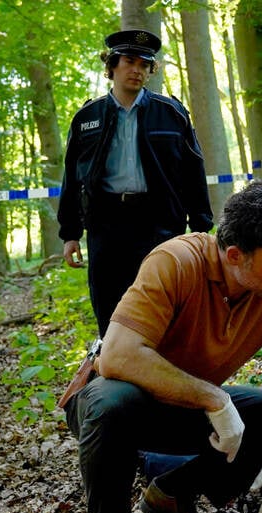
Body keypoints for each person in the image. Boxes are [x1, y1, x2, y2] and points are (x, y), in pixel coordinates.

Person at [66, 179, 262, 513]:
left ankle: (172, 493)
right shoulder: (176, 261)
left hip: (185, 404)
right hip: (115, 399)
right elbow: (118, 356)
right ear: (235, 255)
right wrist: (215, 400)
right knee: (110, 406)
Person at [57, 29, 213, 336]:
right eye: (129, 61)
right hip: (106, 225)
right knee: (109, 306)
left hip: (159, 223)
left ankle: (164, 363)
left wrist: (201, 228)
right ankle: (112, 361)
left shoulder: (172, 113)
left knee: (166, 303)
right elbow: (72, 178)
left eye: (144, 64)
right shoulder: (87, 117)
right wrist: (70, 233)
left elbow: (193, 173)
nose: (137, 70)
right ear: (112, 65)